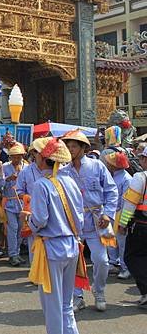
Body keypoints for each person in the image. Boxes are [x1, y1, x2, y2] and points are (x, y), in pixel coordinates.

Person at [23, 137, 83, 334]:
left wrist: (29, 219)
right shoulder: (71, 182)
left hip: (52, 248)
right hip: (72, 246)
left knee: (53, 307)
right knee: (66, 304)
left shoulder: (42, 184)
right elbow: (80, 218)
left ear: (43, 158)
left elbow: (40, 221)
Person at [61, 129, 118, 312]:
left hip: (96, 219)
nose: (70, 149)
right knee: (73, 261)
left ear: (84, 148)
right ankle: (77, 296)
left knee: (102, 260)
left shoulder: (97, 166)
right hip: (72, 221)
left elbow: (111, 191)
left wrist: (107, 214)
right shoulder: (62, 171)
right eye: (68, 146)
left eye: (74, 146)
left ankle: (99, 290)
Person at [118, 146, 147, 309]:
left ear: (144, 160)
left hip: (142, 226)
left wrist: (122, 224)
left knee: (132, 257)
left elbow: (129, 205)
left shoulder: (140, 177)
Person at [100, 149, 132, 279]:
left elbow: (126, 202)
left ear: (114, 165)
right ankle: (113, 262)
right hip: (110, 212)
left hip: (120, 213)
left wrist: (124, 221)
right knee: (109, 239)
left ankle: (126, 268)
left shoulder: (126, 179)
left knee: (122, 242)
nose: (107, 164)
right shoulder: (112, 175)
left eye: (109, 162)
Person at [2, 143, 29, 266]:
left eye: (19, 156)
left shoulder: (27, 167)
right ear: (10, 157)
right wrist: (8, 179)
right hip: (9, 202)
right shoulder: (4, 167)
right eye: (14, 156)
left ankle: (17, 253)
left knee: (20, 229)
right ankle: (12, 254)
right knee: (12, 228)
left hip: (23, 203)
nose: (16, 159)